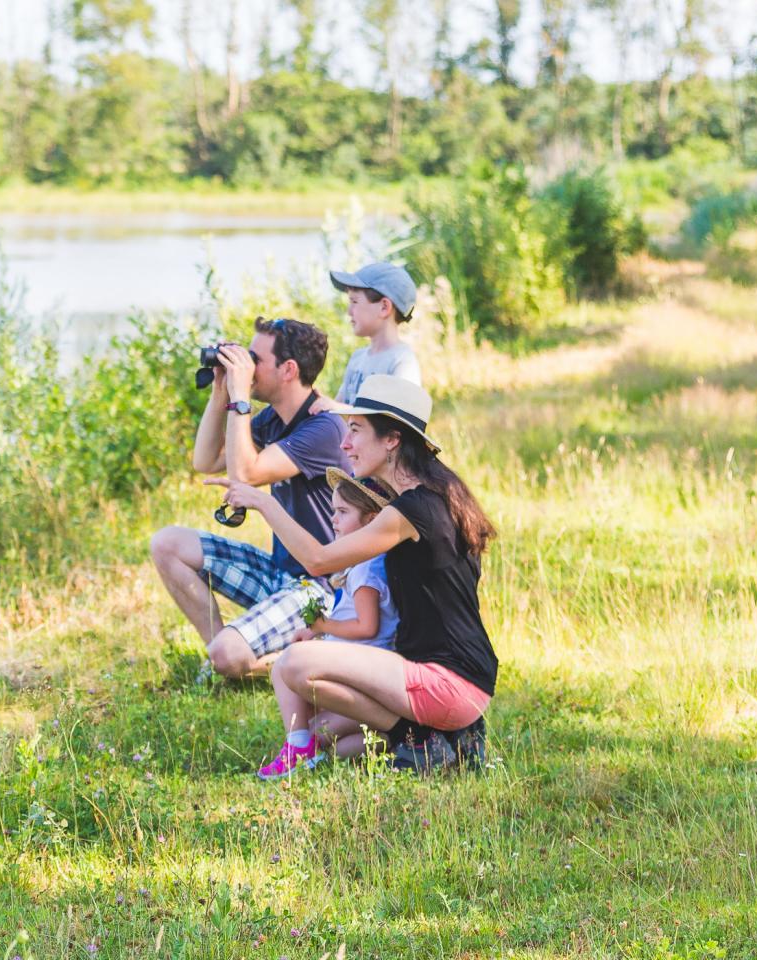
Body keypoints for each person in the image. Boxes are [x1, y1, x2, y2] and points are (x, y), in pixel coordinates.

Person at [208, 374, 498, 776]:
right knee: (331, 736)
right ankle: (436, 739)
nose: (344, 445)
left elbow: (318, 561)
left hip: (445, 681)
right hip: (464, 679)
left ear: (392, 439)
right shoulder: (436, 494)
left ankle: (419, 739)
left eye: (356, 431)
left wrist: (262, 501)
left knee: (293, 663)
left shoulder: (411, 511)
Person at [148, 317, 348, 681]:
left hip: (320, 588)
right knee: (167, 544)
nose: (247, 366)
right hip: (280, 572)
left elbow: (247, 474)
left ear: (288, 370)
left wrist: (241, 399)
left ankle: (299, 654)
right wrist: (221, 393)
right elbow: (205, 461)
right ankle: (221, 658)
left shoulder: (324, 427)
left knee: (229, 654)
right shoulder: (273, 419)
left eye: (255, 358)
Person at [259, 468, 399, 777]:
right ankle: (375, 743)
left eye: (342, 512)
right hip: (361, 667)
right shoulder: (367, 563)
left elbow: (366, 627)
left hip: (364, 670)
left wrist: (323, 627)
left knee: (285, 669)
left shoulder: (366, 570)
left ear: (372, 520)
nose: (333, 518)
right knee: (328, 743)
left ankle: (298, 745)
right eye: (333, 510)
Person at [327, 262, 422, 407]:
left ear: (384, 307)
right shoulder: (357, 358)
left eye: (354, 301)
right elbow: (337, 414)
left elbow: (396, 421)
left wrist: (331, 406)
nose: (349, 311)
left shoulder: (402, 361)